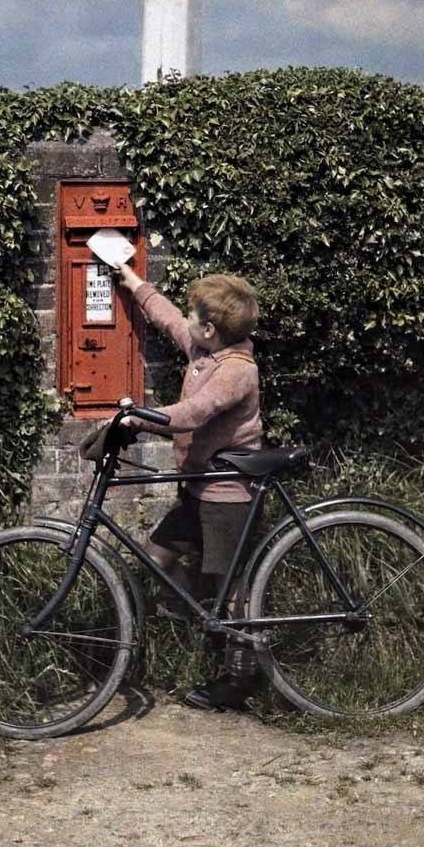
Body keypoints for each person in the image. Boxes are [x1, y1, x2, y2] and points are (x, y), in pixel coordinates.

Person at [114, 259, 263, 711]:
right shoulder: (203, 350)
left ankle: (241, 681)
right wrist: (135, 282)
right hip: (198, 488)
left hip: (227, 495)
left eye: (196, 316)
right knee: (158, 556)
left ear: (212, 330)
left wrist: (138, 416)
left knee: (231, 590)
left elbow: (195, 412)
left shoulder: (238, 371)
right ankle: (201, 617)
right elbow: (170, 318)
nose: (189, 319)